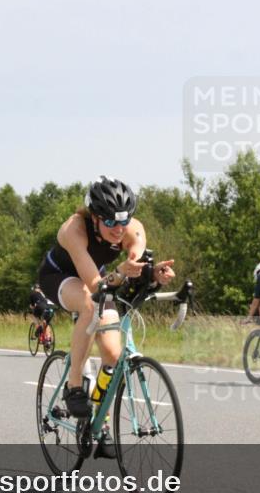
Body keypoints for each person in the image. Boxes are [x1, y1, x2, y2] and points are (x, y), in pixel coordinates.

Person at [37, 176, 175, 432]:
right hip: (59, 276)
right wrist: (121, 271)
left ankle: (101, 421)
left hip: (98, 279)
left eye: (123, 220)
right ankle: (74, 385)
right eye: (110, 222)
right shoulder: (74, 229)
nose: (118, 229)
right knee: (89, 305)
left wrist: (153, 274)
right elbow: (94, 285)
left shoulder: (133, 230)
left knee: (113, 354)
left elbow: (135, 266)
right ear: (94, 218)